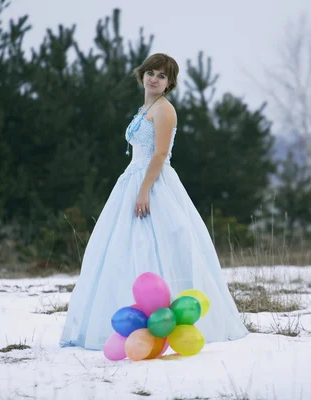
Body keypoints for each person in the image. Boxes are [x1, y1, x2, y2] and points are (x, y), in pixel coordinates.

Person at [59, 53, 248, 351]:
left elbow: (160, 154)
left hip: (154, 183)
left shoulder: (165, 110)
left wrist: (145, 190)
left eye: (161, 75)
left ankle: (166, 318)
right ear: (142, 74)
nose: (154, 79)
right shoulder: (144, 107)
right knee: (122, 246)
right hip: (132, 178)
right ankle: (124, 317)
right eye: (150, 72)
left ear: (169, 82)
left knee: (159, 242)